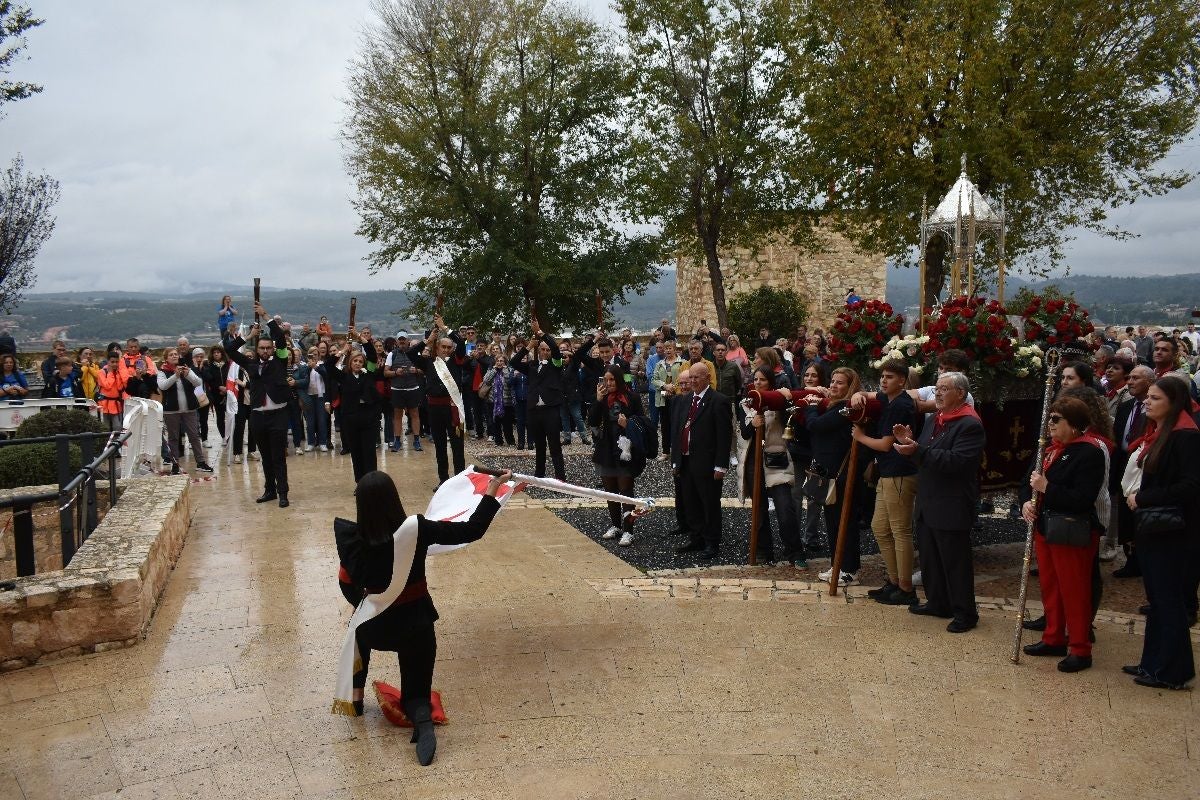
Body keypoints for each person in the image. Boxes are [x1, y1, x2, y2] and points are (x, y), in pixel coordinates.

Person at [334, 469, 519, 763]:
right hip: (415, 625)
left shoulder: (351, 539)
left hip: (375, 628)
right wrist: (492, 491)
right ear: (394, 499)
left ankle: (355, 701)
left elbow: (346, 583)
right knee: (417, 694)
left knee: (357, 629)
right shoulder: (416, 529)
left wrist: (369, 605)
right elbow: (472, 530)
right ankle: (422, 719)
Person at [1020, 397, 1108, 672]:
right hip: (1046, 526)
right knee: (1051, 586)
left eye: (1056, 419)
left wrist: (1047, 487)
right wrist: (1027, 502)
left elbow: (1082, 498)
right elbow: (1029, 482)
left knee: (1074, 590)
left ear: (1074, 424)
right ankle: (1053, 636)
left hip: (1072, 529)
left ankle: (1080, 649)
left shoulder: (1089, 452)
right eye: (1050, 418)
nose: (1050, 424)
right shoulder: (1050, 450)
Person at [893, 371, 985, 633]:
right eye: (937, 389)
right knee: (930, 557)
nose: (938, 394)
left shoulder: (969, 424)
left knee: (955, 562)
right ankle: (938, 602)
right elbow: (924, 453)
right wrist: (910, 444)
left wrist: (918, 450)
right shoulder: (936, 418)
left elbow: (957, 462)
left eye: (944, 389)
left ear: (961, 394)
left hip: (952, 502)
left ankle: (965, 613)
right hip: (928, 499)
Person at [1123, 376, 1200, 689]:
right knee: (1157, 598)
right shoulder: (1158, 433)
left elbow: (1190, 486)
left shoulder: (1186, 437)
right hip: (1154, 528)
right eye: (1148, 397)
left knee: (1169, 600)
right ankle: (1152, 662)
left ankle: (1172, 670)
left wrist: (1142, 498)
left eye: (1154, 398)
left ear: (1173, 402)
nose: (1147, 402)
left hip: (1173, 531)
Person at [850, 359, 919, 605]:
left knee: (900, 530)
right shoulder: (888, 399)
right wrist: (859, 393)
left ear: (902, 380)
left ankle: (906, 588)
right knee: (880, 527)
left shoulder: (900, 405)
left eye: (889, 377)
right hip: (888, 472)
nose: (883, 380)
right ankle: (893, 580)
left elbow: (887, 444)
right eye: (882, 376)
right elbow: (872, 393)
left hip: (900, 471)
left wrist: (860, 437)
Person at [224, 302, 291, 507]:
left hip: (278, 414)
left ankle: (282, 493)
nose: (264, 350)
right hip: (258, 416)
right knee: (266, 456)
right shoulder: (250, 362)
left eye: (267, 347)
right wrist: (248, 335)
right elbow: (229, 349)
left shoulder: (280, 360)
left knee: (278, 457)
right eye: (261, 348)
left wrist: (267, 317)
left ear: (272, 349)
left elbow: (280, 337)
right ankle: (269, 489)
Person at [803, 366, 862, 585]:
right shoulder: (834, 405)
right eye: (832, 381)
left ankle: (849, 569)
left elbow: (815, 426)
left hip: (841, 474)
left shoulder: (845, 409)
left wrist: (810, 407)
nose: (833, 386)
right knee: (832, 523)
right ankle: (837, 564)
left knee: (844, 523)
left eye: (839, 383)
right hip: (829, 472)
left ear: (850, 387)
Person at [739, 367, 802, 564]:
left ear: (770, 383)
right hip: (753, 462)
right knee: (759, 511)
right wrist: (752, 424)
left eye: (762, 380)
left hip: (776, 460)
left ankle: (794, 551)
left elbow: (792, 422)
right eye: (755, 379)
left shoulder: (778, 402)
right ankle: (764, 550)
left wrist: (785, 398)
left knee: (785, 509)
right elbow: (744, 432)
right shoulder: (745, 404)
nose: (757, 383)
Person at [671, 363, 732, 560]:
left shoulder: (718, 401)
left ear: (707, 378)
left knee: (709, 503)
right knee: (690, 502)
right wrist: (675, 460)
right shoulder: (685, 400)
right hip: (686, 461)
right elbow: (678, 430)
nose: (693, 381)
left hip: (707, 462)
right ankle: (696, 536)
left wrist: (721, 465)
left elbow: (724, 436)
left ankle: (712, 541)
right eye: (691, 378)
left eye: (697, 378)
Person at [589, 364, 650, 547]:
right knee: (610, 491)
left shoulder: (631, 397)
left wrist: (628, 424)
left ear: (619, 379)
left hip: (625, 447)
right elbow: (591, 421)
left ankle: (628, 530)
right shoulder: (603, 397)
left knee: (625, 490)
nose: (609, 383)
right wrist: (598, 400)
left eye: (612, 379)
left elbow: (643, 421)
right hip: (606, 447)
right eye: (606, 380)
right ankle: (615, 525)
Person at [407, 315, 467, 484]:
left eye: (449, 347)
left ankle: (460, 480)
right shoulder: (429, 363)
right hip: (435, 409)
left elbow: (461, 343)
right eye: (444, 347)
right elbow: (411, 353)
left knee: (457, 446)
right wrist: (428, 340)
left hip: (453, 408)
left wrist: (445, 328)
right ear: (438, 347)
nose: (446, 350)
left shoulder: (456, 361)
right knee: (440, 446)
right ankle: (443, 480)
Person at [511, 321, 567, 480]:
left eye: (547, 350)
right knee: (540, 446)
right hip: (534, 410)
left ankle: (560, 478)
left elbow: (556, 349)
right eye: (542, 349)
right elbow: (513, 362)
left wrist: (541, 332)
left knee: (555, 446)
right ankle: (539, 475)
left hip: (551, 410)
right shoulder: (531, 365)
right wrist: (528, 346)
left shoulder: (557, 364)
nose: (545, 352)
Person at [325, 328, 381, 482]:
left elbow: (371, 354)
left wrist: (359, 337)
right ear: (350, 363)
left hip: (368, 417)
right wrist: (342, 351)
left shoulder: (368, 374)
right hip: (351, 419)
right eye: (355, 361)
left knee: (369, 451)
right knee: (356, 452)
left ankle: (372, 481)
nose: (357, 363)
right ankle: (360, 482)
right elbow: (329, 366)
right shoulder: (344, 377)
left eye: (360, 361)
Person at [158, 348, 213, 475]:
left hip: (190, 409)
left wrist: (188, 374)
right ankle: (175, 464)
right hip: (171, 411)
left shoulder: (186, 368)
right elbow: (163, 386)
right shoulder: (162, 372)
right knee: (173, 438)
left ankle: (201, 462)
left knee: (194, 435)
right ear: (166, 358)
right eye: (171, 355)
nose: (174, 356)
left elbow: (198, 383)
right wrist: (175, 376)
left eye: (175, 354)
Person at [385, 334, 424, 452]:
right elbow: (386, 372)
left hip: (413, 388)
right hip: (397, 389)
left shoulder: (416, 354)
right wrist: (396, 372)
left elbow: (424, 370)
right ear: (397, 341)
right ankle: (397, 441)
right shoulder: (392, 354)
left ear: (408, 341)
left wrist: (416, 370)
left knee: (415, 414)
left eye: (404, 340)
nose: (402, 342)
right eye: (400, 340)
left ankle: (416, 440)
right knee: (397, 416)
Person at [652, 339, 686, 461]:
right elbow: (654, 380)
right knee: (665, 425)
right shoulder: (659, 364)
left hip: (678, 397)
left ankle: (680, 450)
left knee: (679, 424)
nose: (667, 350)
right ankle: (666, 451)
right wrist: (664, 386)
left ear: (674, 349)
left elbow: (684, 378)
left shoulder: (683, 363)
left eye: (670, 348)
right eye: (665, 348)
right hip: (663, 396)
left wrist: (674, 388)